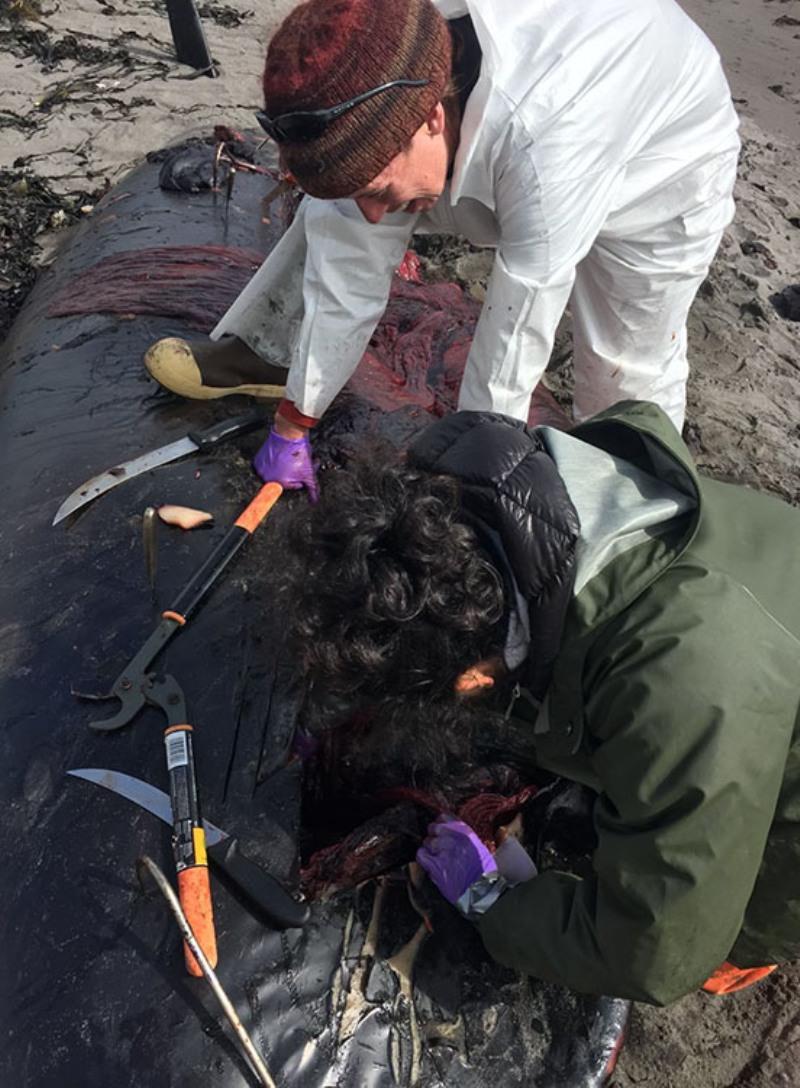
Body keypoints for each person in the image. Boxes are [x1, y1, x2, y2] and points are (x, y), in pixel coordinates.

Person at [281, 399, 800, 1004]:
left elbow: (649, 954)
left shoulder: (681, 696)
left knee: (722, 924)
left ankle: (747, 954)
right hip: (764, 587)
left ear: (474, 679)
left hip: (749, 714)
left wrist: (494, 903)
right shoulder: (524, 481)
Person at [144, 0, 740, 501]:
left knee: (622, 365)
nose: (375, 213)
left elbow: (513, 338)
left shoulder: (545, 142)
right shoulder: (381, 69)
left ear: (431, 117)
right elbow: (348, 257)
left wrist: (465, 492)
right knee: (336, 210)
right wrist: (296, 420)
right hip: (484, 139)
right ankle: (273, 354)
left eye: (377, 190)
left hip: (662, 156)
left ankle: (644, 506)